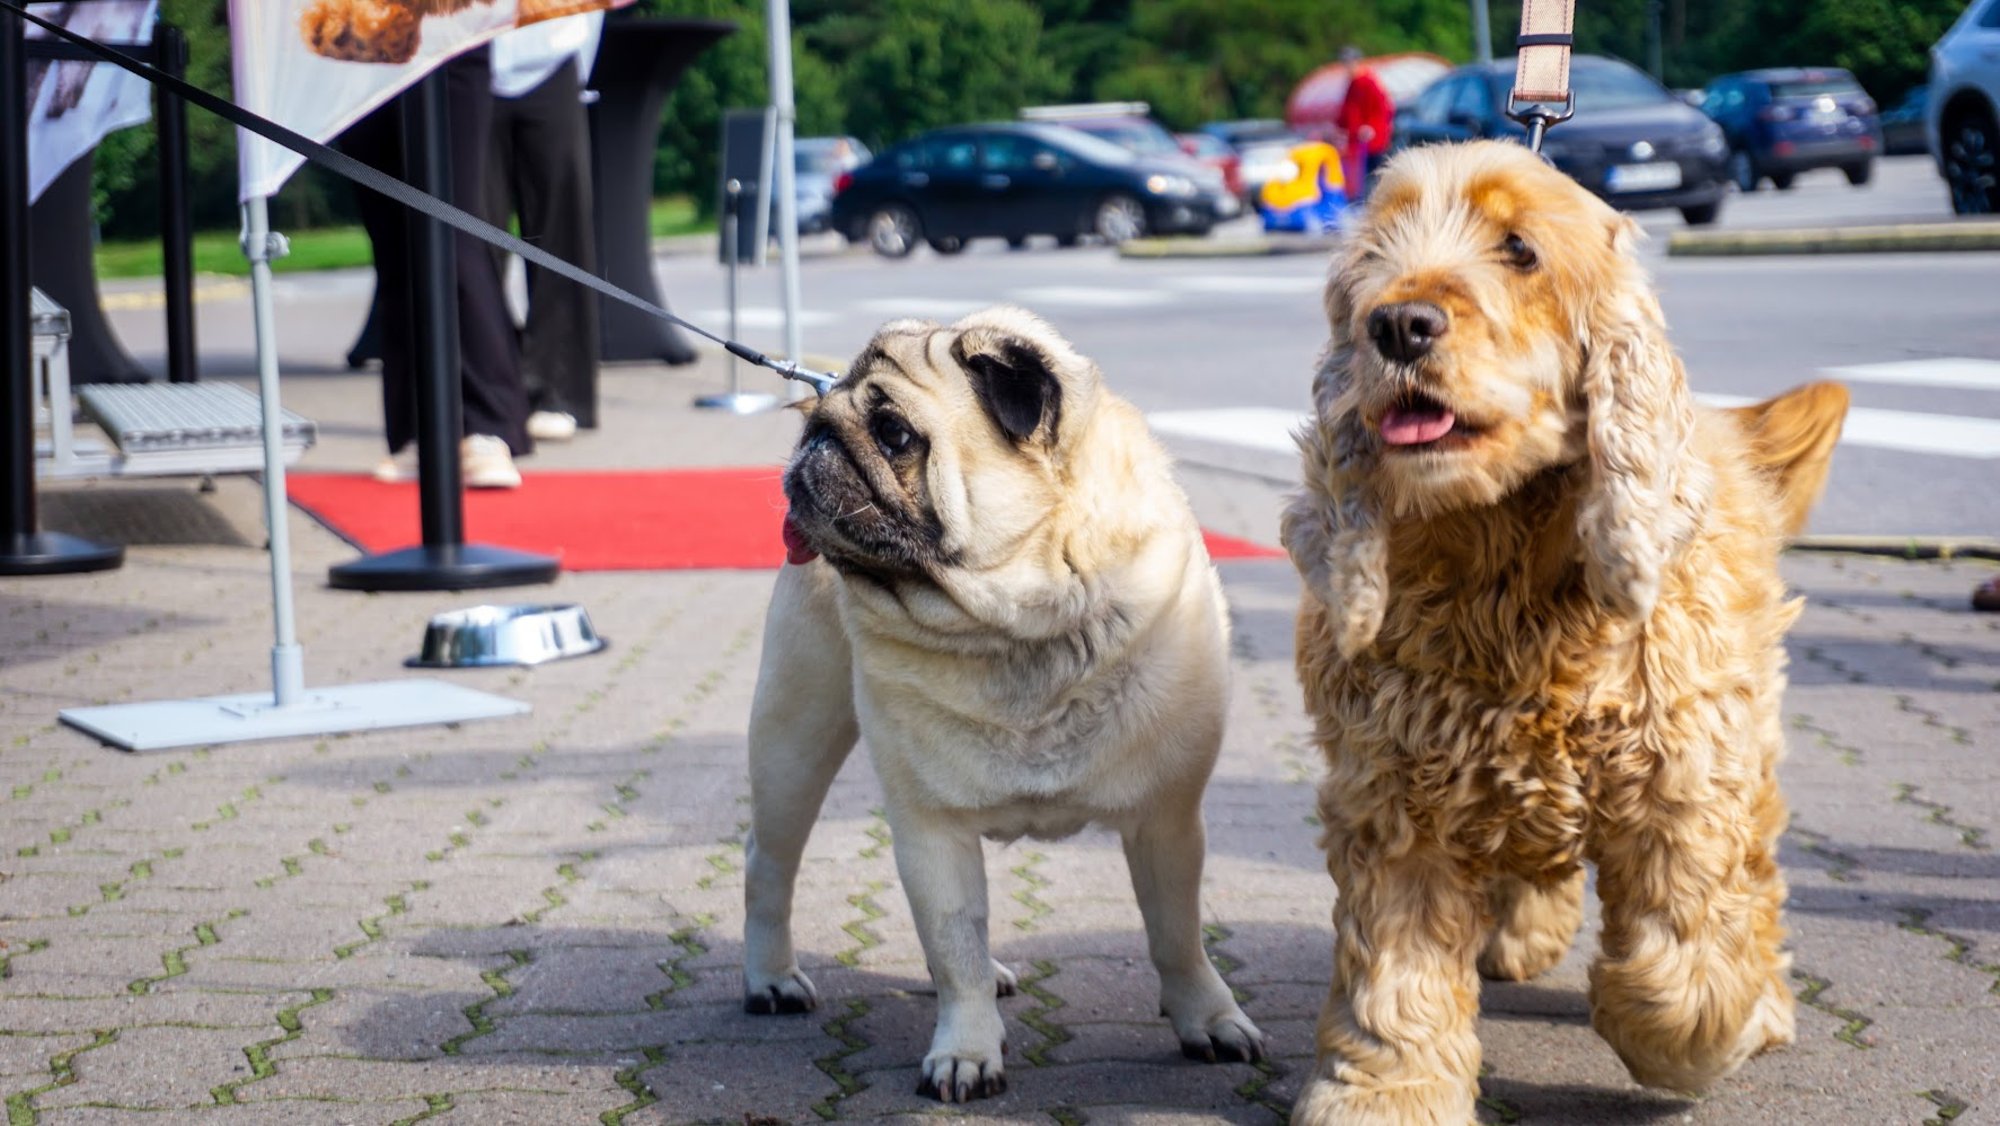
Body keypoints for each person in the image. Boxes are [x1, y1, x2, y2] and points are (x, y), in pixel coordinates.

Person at [341, 47, 532, 489]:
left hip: (445, 36)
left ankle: (487, 426)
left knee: (453, 236)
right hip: (355, 49)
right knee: (394, 249)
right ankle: (418, 431)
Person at [486, 11, 605, 443]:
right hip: (470, 57)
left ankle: (558, 390)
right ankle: (488, 393)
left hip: (552, 52)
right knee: (474, 240)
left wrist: (578, 63)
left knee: (561, 235)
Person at [1335, 45, 1394, 200]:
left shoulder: (1368, 82)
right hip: (1357, 142)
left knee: (1375, 175)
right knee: (1359, 179)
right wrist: (1339, 128)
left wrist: (1371, 127)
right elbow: (1346, 111)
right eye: (1345, 64)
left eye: (1350, 63)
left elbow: (1383, 109)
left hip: (1372, 141)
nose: (1348, 67)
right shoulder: (1352, 85)